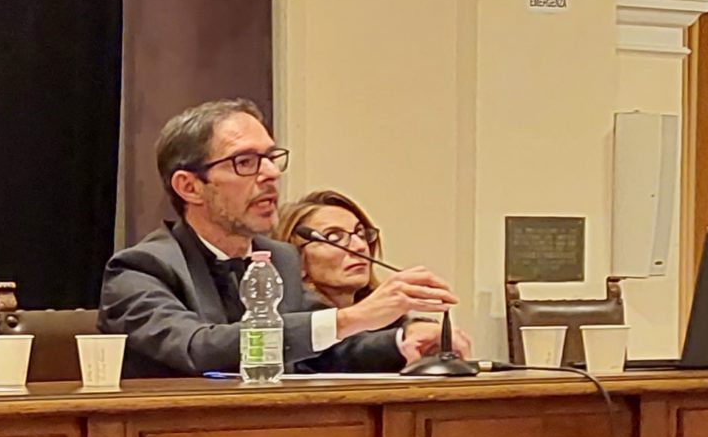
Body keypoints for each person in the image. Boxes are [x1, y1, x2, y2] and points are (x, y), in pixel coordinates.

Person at [101, 99, 465, 377]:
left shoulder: (279, 258)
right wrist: (351, 317)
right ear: (190, 187)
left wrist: (403, 340)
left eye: (271, 158)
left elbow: (321, 350)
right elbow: (197, 348)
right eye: (245, 162)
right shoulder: (140, 270)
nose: (271, 174)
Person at [276, 188, 389, 309]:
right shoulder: (285, 319)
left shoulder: (389, 313)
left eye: (361, 234)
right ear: (295, 259)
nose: (360, 247)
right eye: (334, 238)